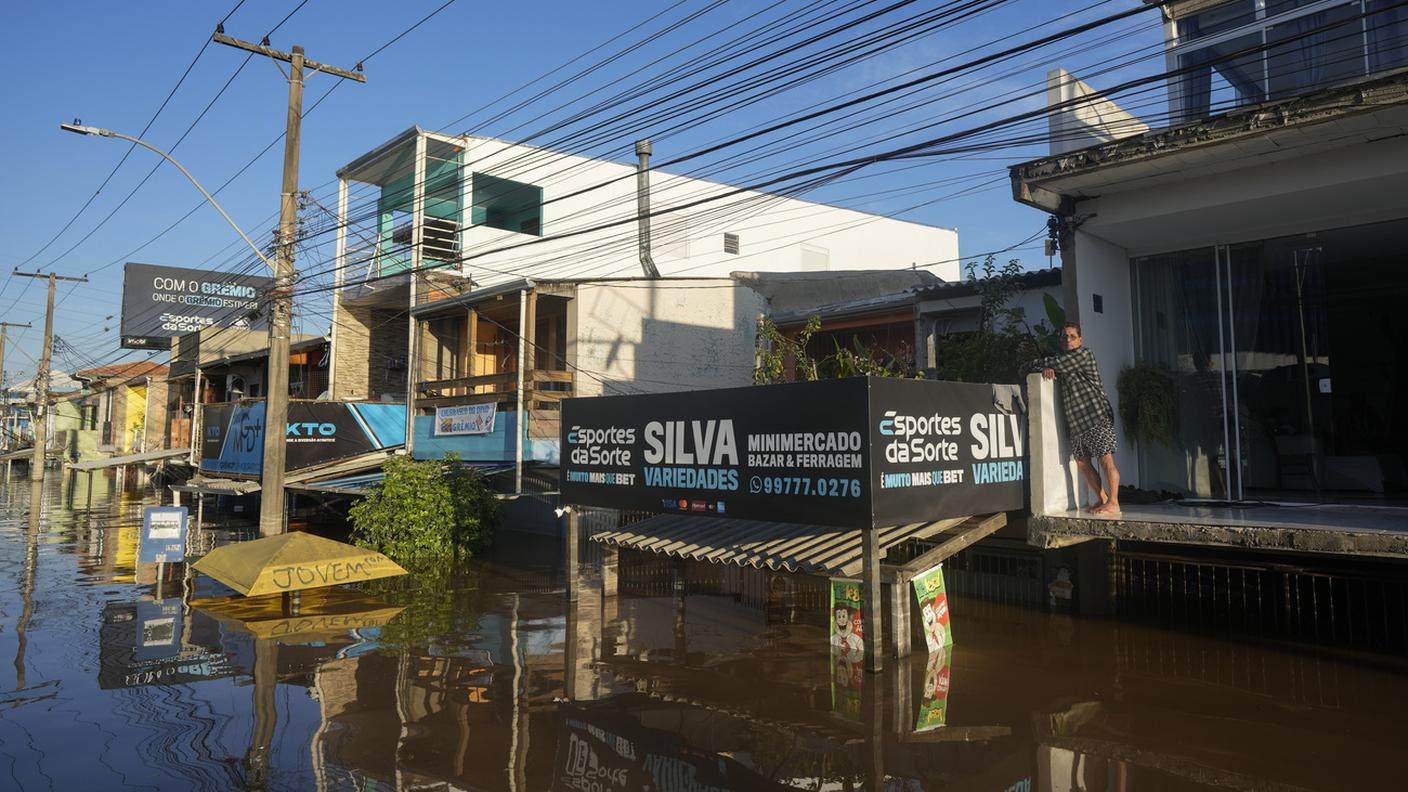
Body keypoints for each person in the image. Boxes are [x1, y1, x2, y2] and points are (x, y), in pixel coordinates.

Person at [1024, 322, 1122, 515]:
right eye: (1064, 337)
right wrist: (1047, 368)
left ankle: (1114, 502)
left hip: (1096, 416)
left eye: (1072, 336)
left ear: (1080, 340)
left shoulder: (1084, 354)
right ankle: (1102, 499)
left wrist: (1045, 365)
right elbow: (1036, 367)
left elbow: (1054, 364)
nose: (1067, 340)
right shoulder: (1059, 362)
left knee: (1105, 460)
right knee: (1082, 462)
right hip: (1077, 423)